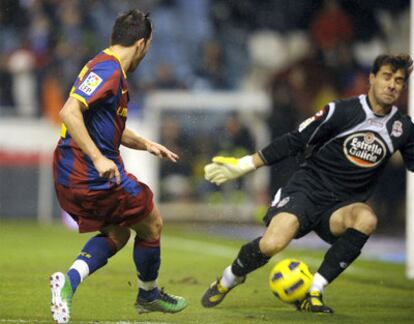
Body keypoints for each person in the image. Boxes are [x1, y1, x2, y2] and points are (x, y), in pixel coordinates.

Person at [201, 54, 413, 313]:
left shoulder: (403, 127)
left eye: (399, 81)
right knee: (272, 244)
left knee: (367, 219)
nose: (392, 85)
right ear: (372, 78)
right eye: (387, 77)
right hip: (308, 190)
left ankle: (315, 290)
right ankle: (229, 278)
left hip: (342, 206)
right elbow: (295, 140)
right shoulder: (341, 110)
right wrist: (244, 164)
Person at [50, 9, 187, 324]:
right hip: (88, 171)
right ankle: (149, 295)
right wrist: (98, 158)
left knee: (119, 232)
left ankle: (67, 282)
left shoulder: (105, 68)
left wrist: (146, 143)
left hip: (71, 172)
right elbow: (69, 112)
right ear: (141, 44)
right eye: (149, 47)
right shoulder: (108, 70)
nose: (147, 53)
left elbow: (106, 124)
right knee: (151, 222)